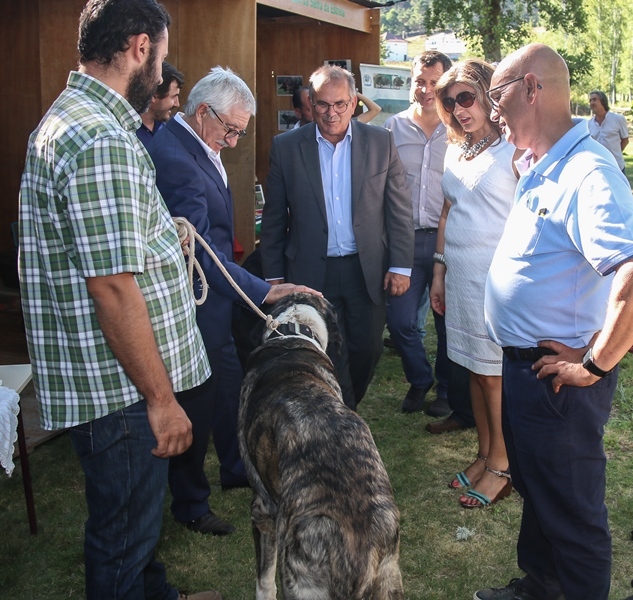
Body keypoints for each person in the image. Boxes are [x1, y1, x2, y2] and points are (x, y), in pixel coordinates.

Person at [18, 1, 220, 598]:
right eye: (159, 56)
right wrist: (161, 401)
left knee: (136, 523)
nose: (161, 73)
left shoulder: (76, 116)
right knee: (121, 538)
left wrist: (165, 232)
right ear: (140, 48)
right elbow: (110, 286)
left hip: (113, 381)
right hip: (122, 390)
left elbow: (110, 251)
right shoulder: (100, 136)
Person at [475, 43, 633, 600]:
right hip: (528, 371)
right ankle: (540, 587)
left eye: (498, 95)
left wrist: (594, 362)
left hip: (558, 381)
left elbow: (631, 274)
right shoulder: (543, 164)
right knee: (541, 494)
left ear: (532, 89)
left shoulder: (589, 172)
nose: (493, 110)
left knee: (572, 512)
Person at [148, 66, 319, 533]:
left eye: (241, 132)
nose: (236, 141)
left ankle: (235, 467)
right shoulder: (177, 157)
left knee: (228, 385)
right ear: (203, 112)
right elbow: (201, 249)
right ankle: (191, 504)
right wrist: (263, 291)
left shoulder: (193, 142)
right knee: (198, 400)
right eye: (231, 130)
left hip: (216, 302)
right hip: (197, 304)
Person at [260, 64, 414, 411]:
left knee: (367, 348)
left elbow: (399, 208)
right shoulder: (286, 147)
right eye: (323, 105)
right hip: (311, 272)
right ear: (310, 104)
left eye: (341, 104)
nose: (332, 113)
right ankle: (340, 417)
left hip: (366, 270)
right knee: (322, 349)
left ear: (354, 102)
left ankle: (345, 407)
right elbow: (274, 216)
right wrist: (273, 276)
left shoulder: (380, 142)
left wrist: (401, 265)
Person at [431, 58, 519, 509]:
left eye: (467, 97)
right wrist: (439, 270)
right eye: (451, 102)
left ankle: (504, 467)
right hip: (460, 275)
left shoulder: (514, 152)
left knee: (492, 376)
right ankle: (484, 455)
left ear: (488, 93)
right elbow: (447, 212)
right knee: (469, 369)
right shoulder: (456, 148)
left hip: (494, 278)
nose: (460, 109)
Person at [382, 51, 453, 417]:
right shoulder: (391, 129)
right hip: (404, 241)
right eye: (420, 81)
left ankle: (445, 389)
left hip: (446, 241)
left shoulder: (457, 129)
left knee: (445, 323)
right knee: (399, 321)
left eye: (433, 83)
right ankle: (419, 377)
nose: (426, 90)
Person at [137, 60, 184, 146]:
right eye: (174, 97)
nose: (177, 104)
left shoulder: (169, 132)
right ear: (154, 96)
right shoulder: (129, 132)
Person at [588, 90, 629, 174]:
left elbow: (625, 140)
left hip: (617, 166)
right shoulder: (589, 124)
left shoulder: (618, 119)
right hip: (598, 167)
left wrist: (614, 153)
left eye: (595, 99)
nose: (592, 103)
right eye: (590, 100)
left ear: (603, 101)